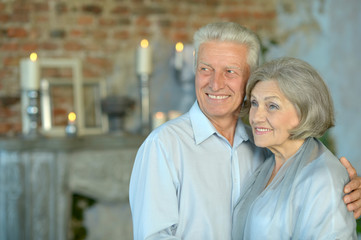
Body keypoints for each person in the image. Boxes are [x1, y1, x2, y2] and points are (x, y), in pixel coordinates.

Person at [129, 22, 361, 240]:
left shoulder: (264, 145)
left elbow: (313, 189)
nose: (215, 83)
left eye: (230, 71)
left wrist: (342, 194)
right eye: (205, 69)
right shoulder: (164, 146)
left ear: (251, 79)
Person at [232, 57, 357, 239]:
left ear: (304, 111)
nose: (256, 117)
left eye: (272, 106)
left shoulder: (323, 177)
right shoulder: (268, 164)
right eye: (254, 103)